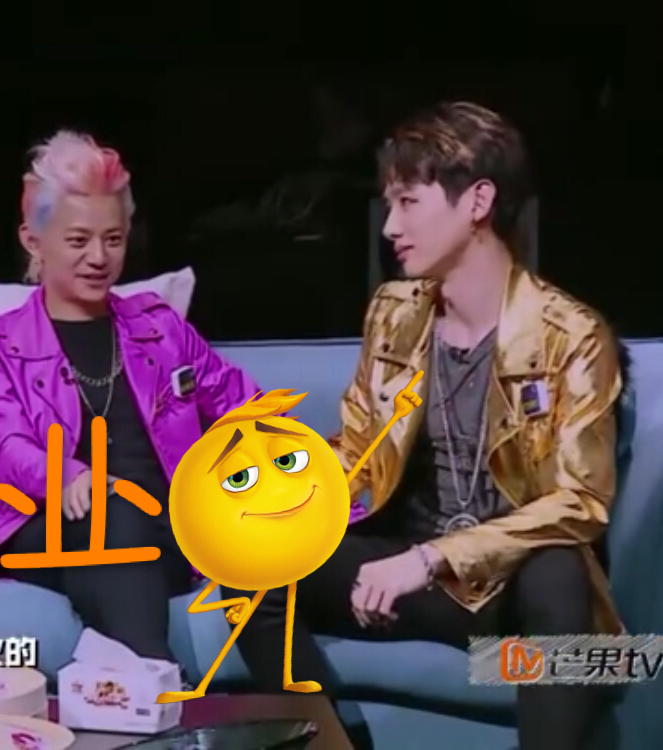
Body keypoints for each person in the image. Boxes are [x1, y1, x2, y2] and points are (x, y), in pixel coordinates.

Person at [226, 102, 624, 750]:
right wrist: (278, 499)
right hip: (411, 570)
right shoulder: (394, 312)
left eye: (409, 203)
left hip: (502, 580)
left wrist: (430, 559)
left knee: (559, 573)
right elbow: (356, 448)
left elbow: (580, 501)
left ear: (478, 202)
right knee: (250, 560)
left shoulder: (571, 335)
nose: (390, 226)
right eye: (390, 204)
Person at [0, 130, 260, 662]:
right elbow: (4, 445)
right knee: (114, 512)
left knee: (125, 531)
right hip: (46, 526)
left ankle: (124, 681)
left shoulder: (160, 329)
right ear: (33, 241)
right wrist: (68, 475)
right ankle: (158, 680)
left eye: (114, 239)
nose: (99, 258)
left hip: (160, 532)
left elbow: (243, 406)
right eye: (78, 241)